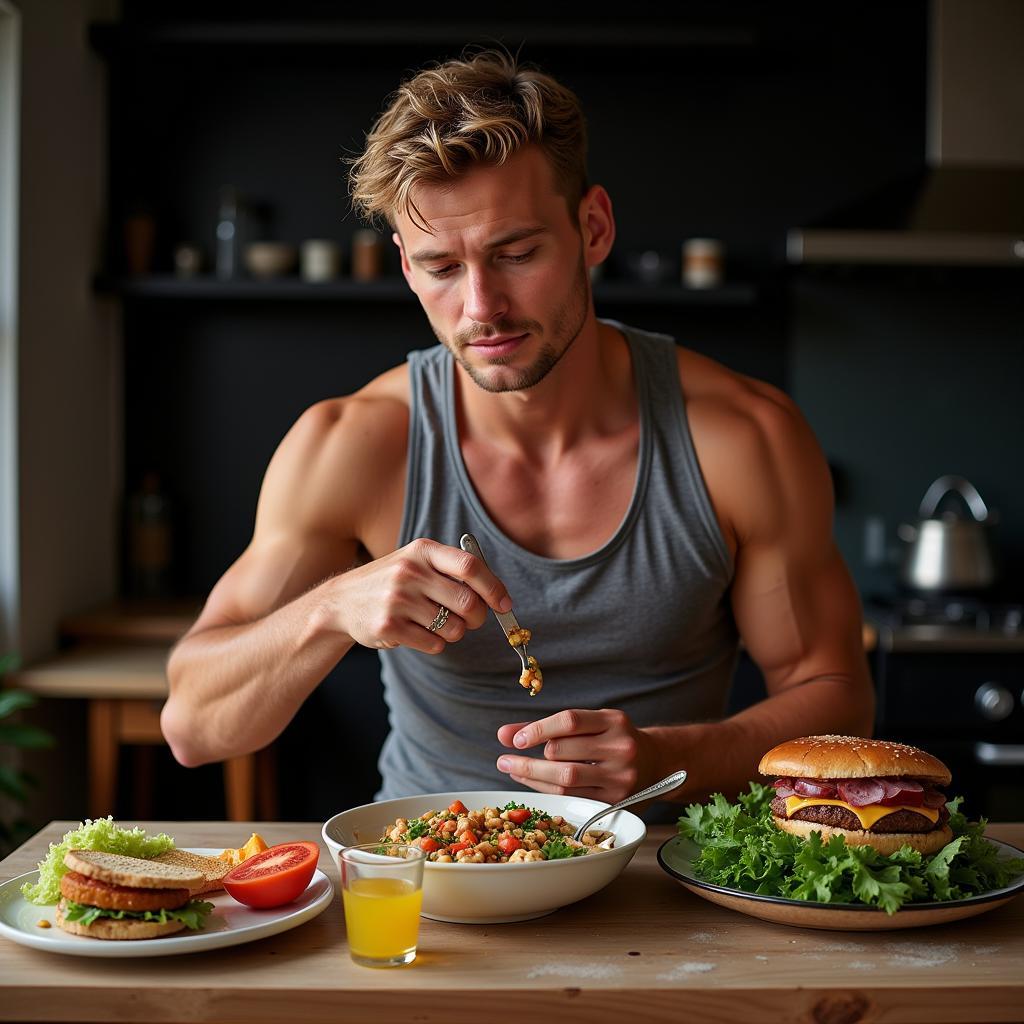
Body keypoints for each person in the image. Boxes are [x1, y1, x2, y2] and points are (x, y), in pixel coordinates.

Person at [161, 49, 874, 809]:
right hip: (429, 889)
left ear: (593, 229)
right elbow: (195, 727)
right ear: (404, 265)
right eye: (441, 267)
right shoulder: (354, 444)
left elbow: (838, 699)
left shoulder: (741, 437)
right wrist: (330, 611)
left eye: (517, 253)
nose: (481, 307)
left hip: (665, 889)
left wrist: (670, 757)